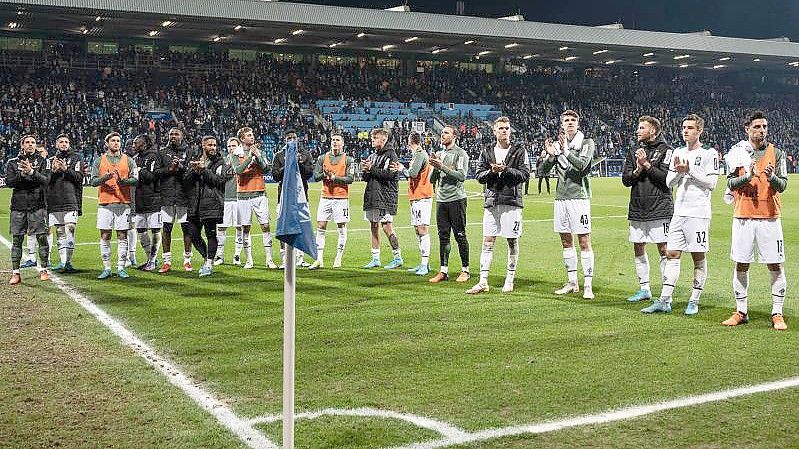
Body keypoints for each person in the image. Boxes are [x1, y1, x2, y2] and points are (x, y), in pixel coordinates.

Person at [642, 114, 718, 315]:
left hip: (698, 214)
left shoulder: (710, 153)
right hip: (679, 212)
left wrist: (689, 170)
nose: (685, 131)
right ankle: (665, 300)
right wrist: (678, 171)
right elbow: (668, 182)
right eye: (684, 127)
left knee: (698, 257)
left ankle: (694, 300)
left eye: (690, 128)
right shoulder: (677, 151)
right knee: (672, 254)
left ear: (699, 130)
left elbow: (712, 184)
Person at [722, 111, 788, 330]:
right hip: (743, 216)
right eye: (757, 126)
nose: (762, 130)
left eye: (765, 126)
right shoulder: (736, 153)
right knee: (741, 263)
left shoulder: (776, 153)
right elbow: (730, 183)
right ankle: (741, 311)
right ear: (747, 129)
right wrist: (747, 177)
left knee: (775, 264)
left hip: (769, 217)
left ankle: (777, 312)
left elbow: (783, 185)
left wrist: (771, 178)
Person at [467, 116, 530, 294]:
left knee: (512, 241)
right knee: (488, 241)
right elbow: (479, 176)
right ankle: (483, 281)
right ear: (494, 131)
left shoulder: (519, 151)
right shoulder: (486, 151)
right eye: (501, 128)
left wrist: (506, 170)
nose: (504, 131)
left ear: (510, 130)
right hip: (492, 201)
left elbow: (525, 175)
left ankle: (509, 279)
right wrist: (492, 172)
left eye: (507, 128)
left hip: (511, 202)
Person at [541, 110, 597, 299]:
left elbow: (582, 165)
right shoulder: (557, 146)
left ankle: (587, 284)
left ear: (578, 123)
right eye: (567, 120)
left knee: (583, 241)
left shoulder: (586, 143)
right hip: (561, 198)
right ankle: (572, 282)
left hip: (579, 198)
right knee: (566, 241)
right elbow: (541, 171)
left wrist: (564, 151)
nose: (570, 122)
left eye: (573, 120)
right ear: (562, 125)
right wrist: (550, 156)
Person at [621, 116, 674, 303]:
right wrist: (636, 171)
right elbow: (626, 180)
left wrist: (646, 165)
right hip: (637, 207)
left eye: (641, 127)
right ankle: (644, 289)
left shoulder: (667, 151)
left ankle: (666, 292)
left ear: (653, 131)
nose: (637, 130)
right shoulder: (634, 150)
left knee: (664, 249)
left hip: (660, 208)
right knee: (638, 247)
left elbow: (667, 179)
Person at [91, 132, 138, 279]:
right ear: (107, 143)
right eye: (113, 140)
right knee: (105, 235)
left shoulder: (128, 160)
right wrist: (105, 177)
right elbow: (93, 182)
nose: (116, 143)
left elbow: (135, 179)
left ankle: (121, 267)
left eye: (118, 140)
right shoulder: (99, 161)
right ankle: (107, 268)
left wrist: (122, 181)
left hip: (123, 203)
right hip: (105, 203)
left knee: (122, 235)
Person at [428, 125, 471, 283]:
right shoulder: (440, 153)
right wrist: (435, 167)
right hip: (441, 200)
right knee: (443, 236)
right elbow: (432, 181)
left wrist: (442, 167)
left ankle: (465, 270)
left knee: (460, 235)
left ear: (454, 136)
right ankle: (443, 271)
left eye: (446, 133)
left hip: (456, 199)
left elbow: (461, 176)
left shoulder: (460, 154)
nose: (442, 135)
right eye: (442, 133)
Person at [6, 135, 50, 285]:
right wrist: (22, 174)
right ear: (22, 145)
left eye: (33, 142)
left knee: (42, 238)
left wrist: (32, 172)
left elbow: (46, 180)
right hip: (18, 206)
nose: (30, 145)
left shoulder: (43, 161)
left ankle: (44, 269)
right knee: (17, 240)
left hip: (38, 206)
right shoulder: (12, 163)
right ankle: (16, 273)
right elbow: (9, 182)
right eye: (27, 142)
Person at [309, 131, 355, 269]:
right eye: (333, 139)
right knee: (321, 226)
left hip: (341, 198)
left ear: (342, 143)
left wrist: (335, 178)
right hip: (325, 197)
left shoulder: (348, 159)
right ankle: (319, 259)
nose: (335, 142)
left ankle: (338, 257)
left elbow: (350, 179)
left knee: (341, 227)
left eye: (337, 140)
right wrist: (325, 174)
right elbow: (315, 176)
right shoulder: (322, 158)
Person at [233, 127, 276, 269]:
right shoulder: (236, 153)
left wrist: (258, 156)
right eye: (249, 135)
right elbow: (238, 171)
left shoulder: (260, 152)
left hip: (259, 194)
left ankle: (269, 260)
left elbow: (266, 168)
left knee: (265, 226)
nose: (252, 137)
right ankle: (249, 260)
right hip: (243, 195)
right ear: (242, 138)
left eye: (252, 134)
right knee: (246, 228)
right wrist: (249, 158)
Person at [361, 128, 403, 269]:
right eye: (372, 137)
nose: (372, 140)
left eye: (375, 138)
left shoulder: (391, 155)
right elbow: (367, 178)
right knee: (373, 226)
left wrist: (371, 168)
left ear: (383, 139)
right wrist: (365, 170)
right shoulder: (373, 155)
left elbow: (389, 175)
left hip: (385, 197)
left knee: (386, 227)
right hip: (372, 195)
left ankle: (398, 257)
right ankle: (375, 259)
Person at [272, 129, 314, 268]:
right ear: (285, 139)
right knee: (283, 226)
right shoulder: (279, 156)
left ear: (297, 139)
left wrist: (299, 163)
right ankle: (285, 260)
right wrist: (288, 163)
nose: (291, 140)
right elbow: (275, 176)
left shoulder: (305, 154)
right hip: (284, 198)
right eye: (288, 138)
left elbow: (309, 174)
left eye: (293, 137)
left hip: (301, 198)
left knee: (301, 226)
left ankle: (300, 259)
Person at [184, 136, 226, 277]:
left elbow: (219, 181)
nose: (213, 148)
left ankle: (209, 263)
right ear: (203, 145)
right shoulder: (196, 159)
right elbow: (186, 181)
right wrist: (194, 171)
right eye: (210, 145)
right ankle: (206, 257)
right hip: (194, 204)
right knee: (193, 234)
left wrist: (203, 170)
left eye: (214, 145)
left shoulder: (220, 162)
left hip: (211, 203)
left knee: (210, 234)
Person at [392, 131, 433, 276]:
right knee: (418, 229)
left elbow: (413, 173)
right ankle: (423, 263)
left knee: (422, 229)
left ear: (410, 141)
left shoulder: (421, 154)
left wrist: (401, 168)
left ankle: (424, 264)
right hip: (416, 196)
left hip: (422, 196)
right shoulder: (417, 154)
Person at [157, 127, 193, 273]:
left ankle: (187, 261)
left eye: (176, 134)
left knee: (186, 229)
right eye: (171, 133)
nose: (173, 136)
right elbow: (157, 172)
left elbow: (192, 172)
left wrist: (181, 166)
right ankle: (166, 262)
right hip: (167, 196)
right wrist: (170, 169)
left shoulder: (189, 151)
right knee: (166, 229)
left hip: (184, 196)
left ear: (182, 136)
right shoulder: (162, 152)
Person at [46, 133, 83, 273]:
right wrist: (53, 172)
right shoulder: (50, 160)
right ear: (56, 144)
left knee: (70, 229)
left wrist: (65, 170)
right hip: (54, 201)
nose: (64, 144)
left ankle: (68, 262)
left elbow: (79, 178)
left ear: (69, 144)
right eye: (61, 141)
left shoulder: (76, 158)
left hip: (71, 200)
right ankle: (62, 262)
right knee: (60, 231)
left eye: (66, 141)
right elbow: (45, 180)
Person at [131, 134, 163, 271]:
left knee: (155, 230)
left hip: (153, 200)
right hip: (139, 200)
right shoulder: (135, 158)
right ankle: (150, 259)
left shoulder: (153, 156)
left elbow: (152, 177)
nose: (133, 145)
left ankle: (153, 259)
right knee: (141, 230)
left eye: (135, 142)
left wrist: (139, 170)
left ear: (144, 144)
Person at [214, 137, 244, 266]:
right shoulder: (223, 161)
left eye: (233, 146)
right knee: (221, 228)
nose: (231, 148)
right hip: (225, 199)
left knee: (239, 228)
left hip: (239, 199)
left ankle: (237, 255)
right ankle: (219, 256)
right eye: (229, 146)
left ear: (239, 146)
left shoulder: (243, 159)